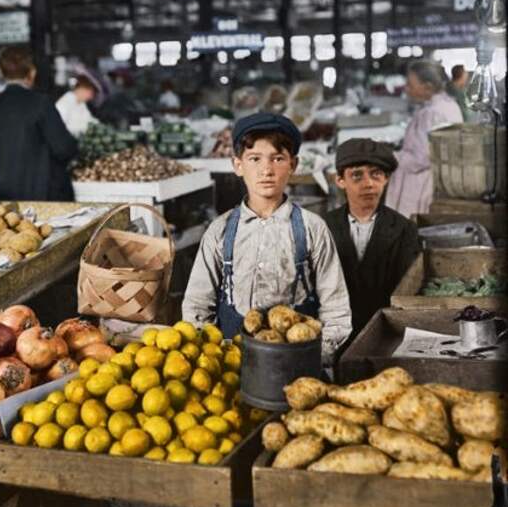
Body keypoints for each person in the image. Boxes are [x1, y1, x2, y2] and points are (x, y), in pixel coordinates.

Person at [182, 112, 352, 363]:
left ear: (293, 165)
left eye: (278, 159)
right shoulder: (220, 231)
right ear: (238, 165)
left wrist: (318, 355)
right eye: (254, 159)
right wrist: (210, 358)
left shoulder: (312, 229)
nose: (266, 170)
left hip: (297, 362)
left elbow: (336, 309)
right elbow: (197, 306)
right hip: (233, 361)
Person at [325, 138, 421, 339]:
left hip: (386, 334)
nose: (368, 183)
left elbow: (406, 293)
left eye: (376, 174)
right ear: (340, 180)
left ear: (386, 179)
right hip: (334, 334)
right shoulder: (322, 228)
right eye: (357, 175)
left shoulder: (405, 230)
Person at [0, 46, 77, 201]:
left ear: (1, 73)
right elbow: (64, 149)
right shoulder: (42, 105)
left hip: (3, 205)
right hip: (44, 200)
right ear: (32, 72)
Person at [385, 60, 462, 218]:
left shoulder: (431, 113)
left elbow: (420, 159)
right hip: (436, 182)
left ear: (427, 87)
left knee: (411, 229)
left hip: (420, 186)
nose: (406, 89)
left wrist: (389, 155)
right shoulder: (449, 105)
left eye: (410, 85)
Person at [55, 74, 100, 138]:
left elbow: (89, 120)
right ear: (82, 89)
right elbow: (59, 127)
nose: (91, 97)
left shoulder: (81, 104)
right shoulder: (64, 103)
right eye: (90, 93)